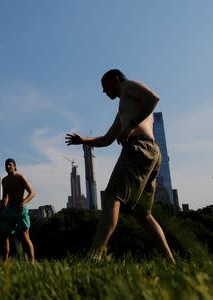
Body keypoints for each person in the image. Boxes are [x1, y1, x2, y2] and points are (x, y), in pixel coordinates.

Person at [65, 69, 175, 263]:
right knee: (143, 214)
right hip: (150, 153)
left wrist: (131, 126)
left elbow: (154, 98)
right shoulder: (124, 109)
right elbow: (107, 140)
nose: (104, 92)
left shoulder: (129, 87)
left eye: (104, 87)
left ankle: (94, 255)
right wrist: (84, 140)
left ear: (115, 80)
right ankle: (170, 261)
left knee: (111, 196)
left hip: (138, 149)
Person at [1, 158, 35, 263]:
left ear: (15, 166)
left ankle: (31, 263)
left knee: (25, 237)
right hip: (9, 210)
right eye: (6, 165)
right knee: (5, 236)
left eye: (10, 164)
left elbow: (32, 193)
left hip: (20, 210)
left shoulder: (20, 177)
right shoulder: (4, 180)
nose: (7, 166)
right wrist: (2, 210)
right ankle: (5, 263)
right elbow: (5, 196)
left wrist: (24, 202)